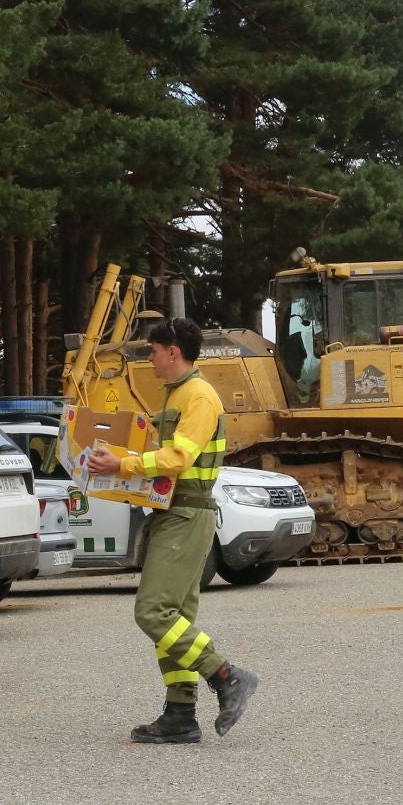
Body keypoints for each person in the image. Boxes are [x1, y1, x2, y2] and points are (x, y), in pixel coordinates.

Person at [87, 317, 260, 743]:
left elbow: (179, 459)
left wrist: (121, 466)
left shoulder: (198, 396)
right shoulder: (179, 395)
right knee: (176, 620)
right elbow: (164, 456)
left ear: (173, 352)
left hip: (187, 514)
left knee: (153, 612)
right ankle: (181, 714)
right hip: (175, 512)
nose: (150, 358)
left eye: (153, 350)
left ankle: (226, 676)